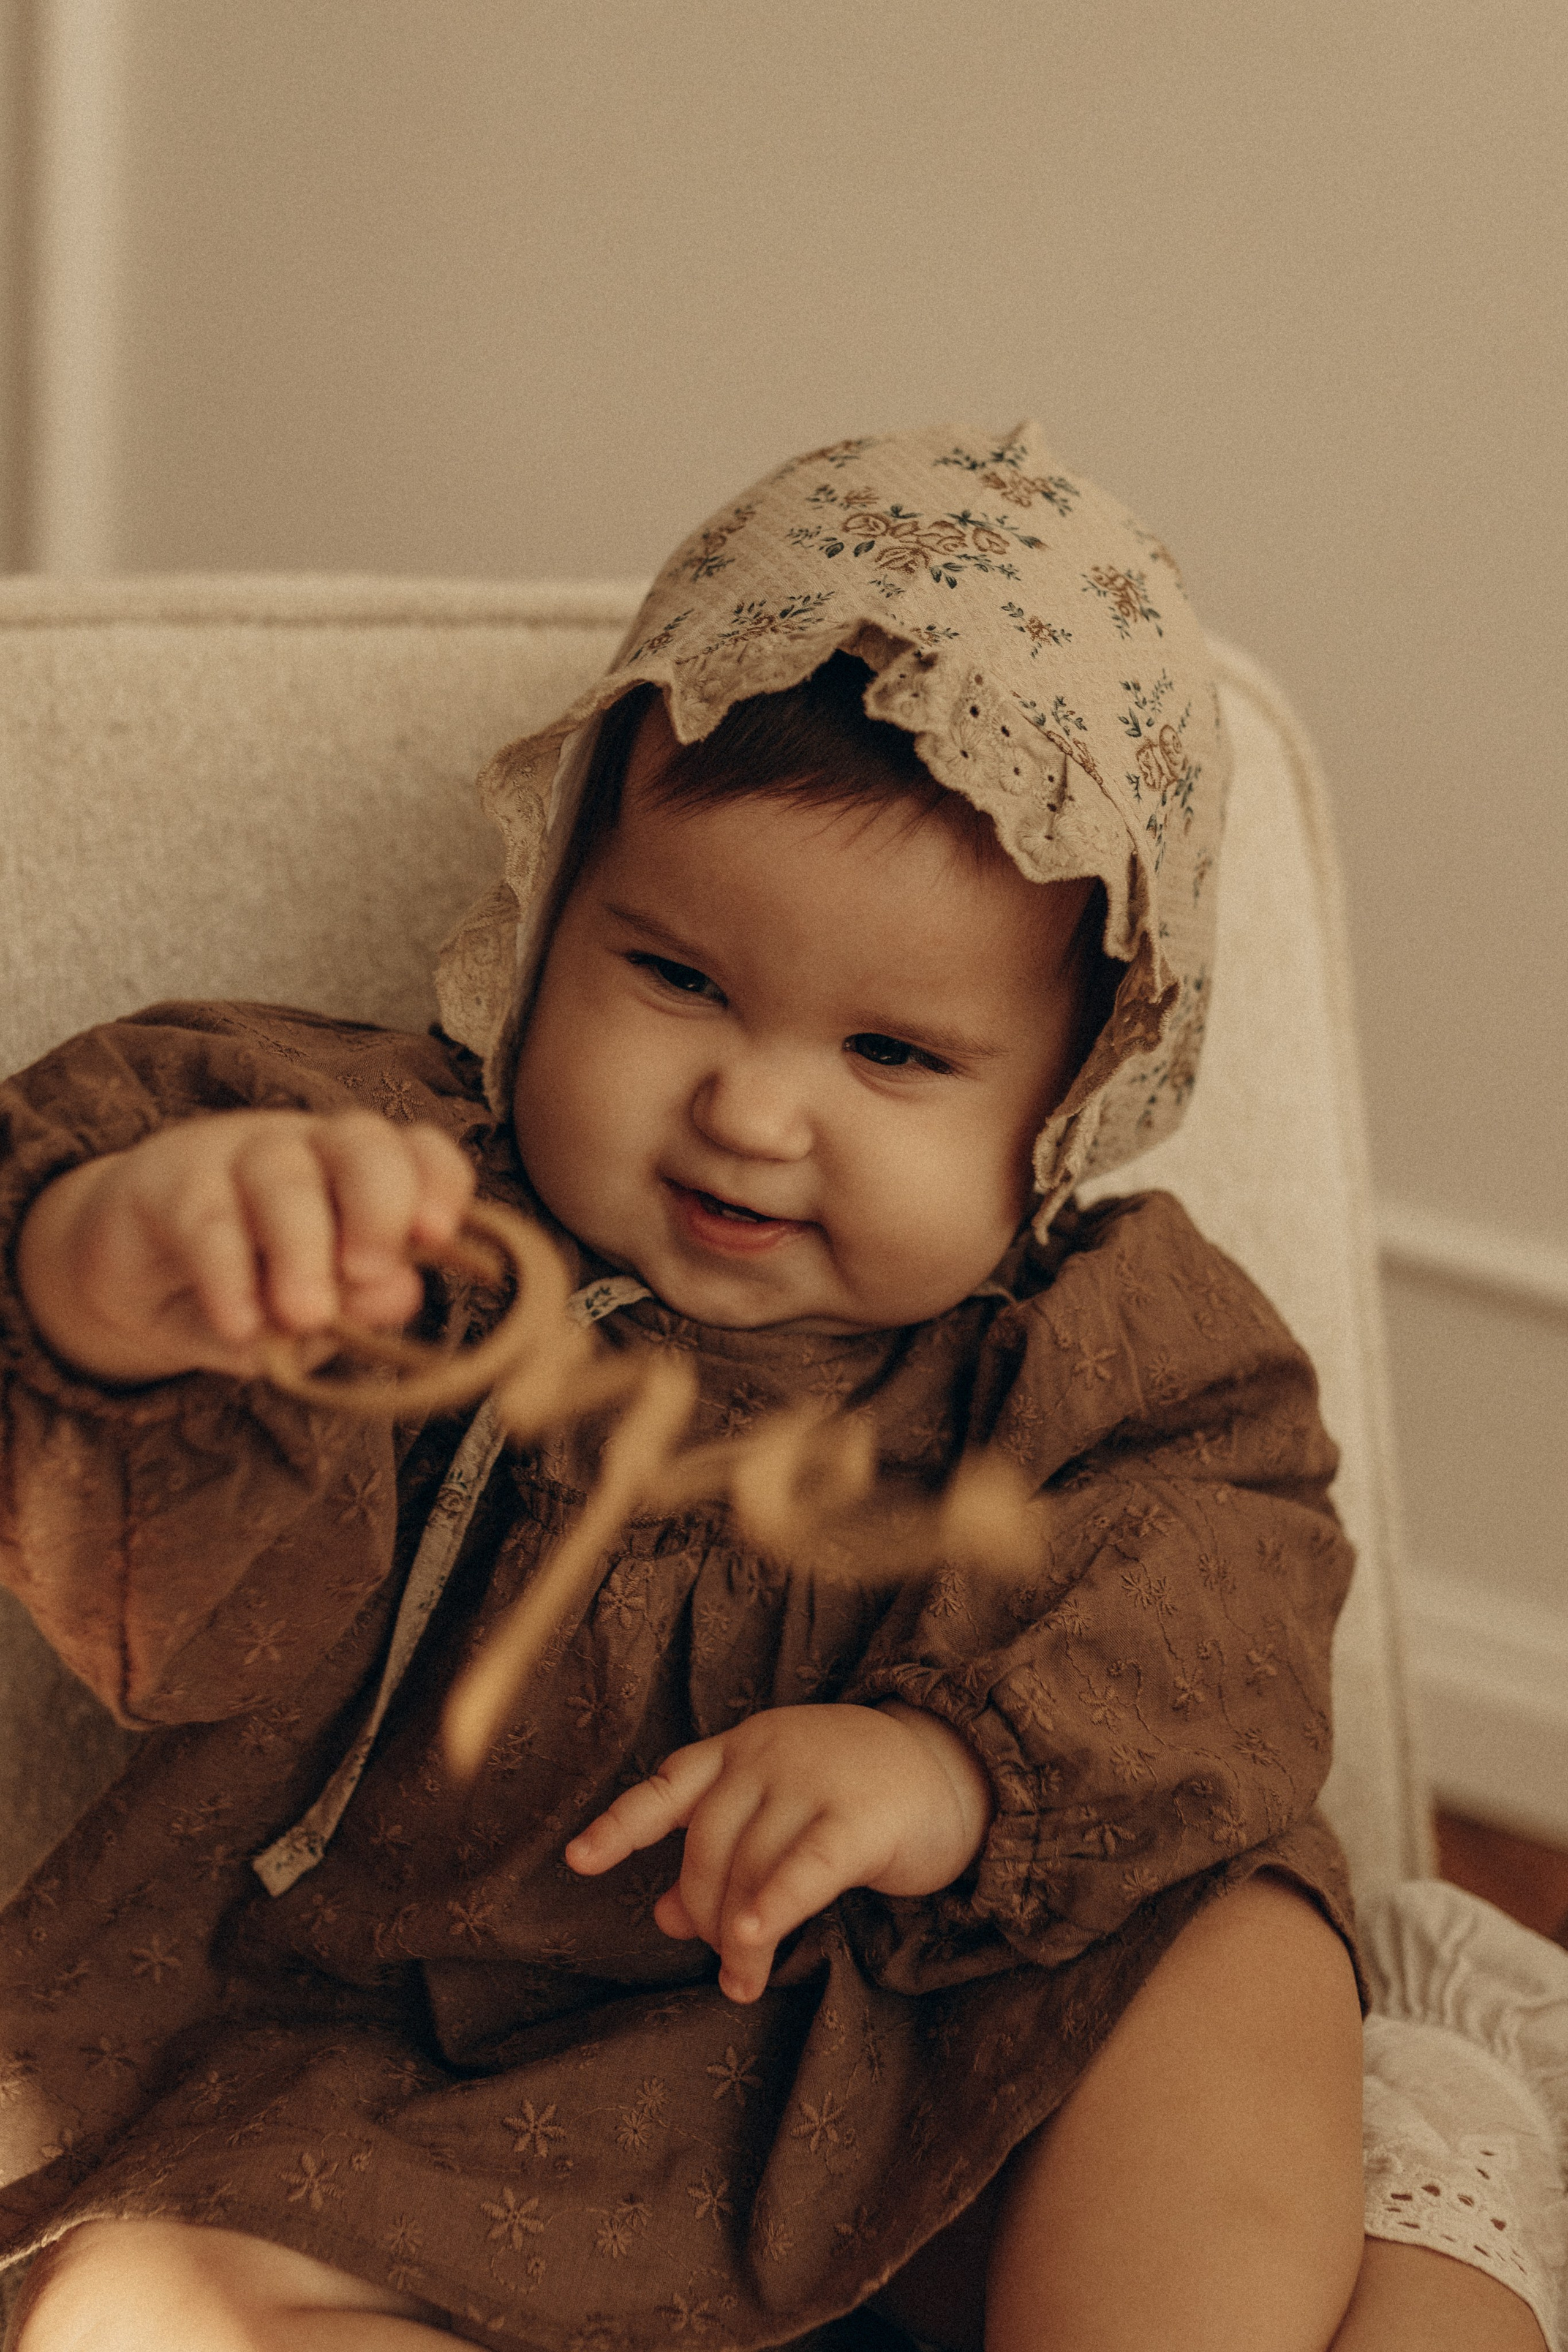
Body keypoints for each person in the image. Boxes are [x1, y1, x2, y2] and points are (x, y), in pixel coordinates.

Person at [0, 424, 1549, 2351]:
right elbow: (155, 1510)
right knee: (136, 2310)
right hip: (416, 2081)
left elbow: (1221, 1627)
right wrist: (126, 1256)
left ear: (1075, 1093)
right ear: (553, 905)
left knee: (1239, 1960)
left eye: (895, 1055)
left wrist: (954, 1771)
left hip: (954, 2043)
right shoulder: (386, 1204)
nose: (753, 1106)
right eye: (676, 978)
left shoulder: (1104, 1349)